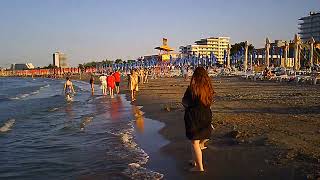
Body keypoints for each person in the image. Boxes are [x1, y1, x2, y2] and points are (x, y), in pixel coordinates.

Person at [182, 67, 214, 172]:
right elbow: (210, 102)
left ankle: (199, 167)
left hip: (193, 116)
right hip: (206, 114)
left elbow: (185, 102)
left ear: (195, 76)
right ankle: (194, 160)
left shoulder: (192, 88)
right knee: (195, 141)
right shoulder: (209, 88)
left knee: (194, 141)